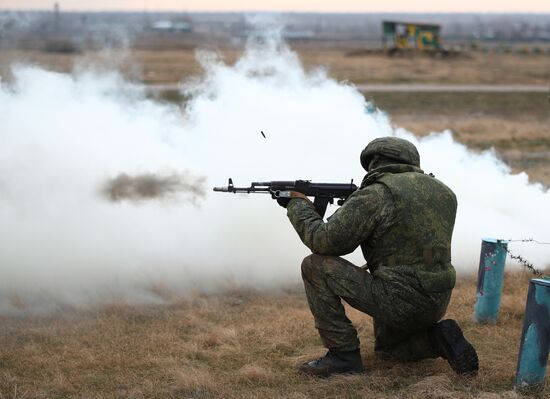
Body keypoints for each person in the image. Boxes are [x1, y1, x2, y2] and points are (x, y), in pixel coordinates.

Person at [277, 136, 478, 378]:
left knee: (314, 266)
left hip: (398, 297)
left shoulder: (377, 194)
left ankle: (343, 356)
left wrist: (297, 204)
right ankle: (438, 339)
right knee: (390, 352)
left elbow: (324, 241)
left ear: (375, 162)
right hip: (437, 297)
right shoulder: (444, 192)